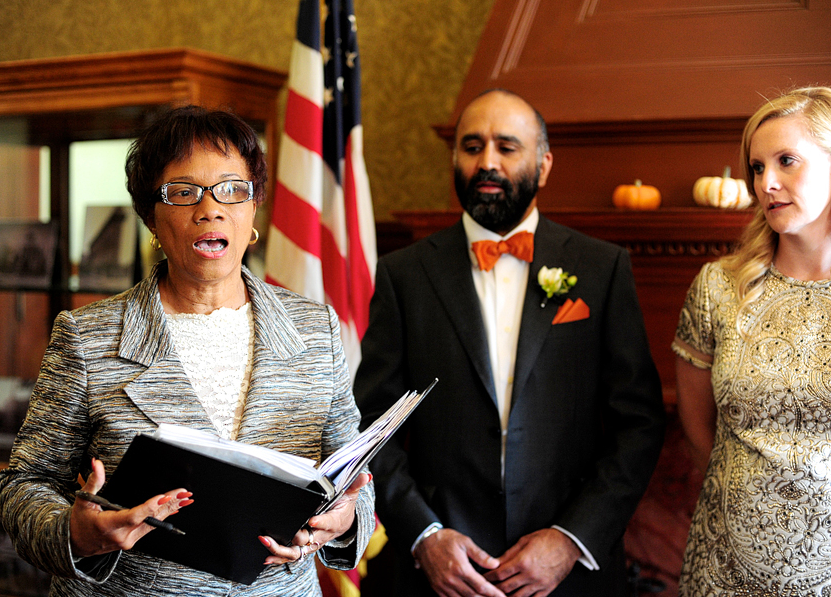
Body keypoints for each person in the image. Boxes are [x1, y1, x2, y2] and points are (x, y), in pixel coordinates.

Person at [0, 105, 374, 597]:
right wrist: (76, 532)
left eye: (232, 189)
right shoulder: (88, 337)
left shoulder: (315, 329)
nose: (210, 208)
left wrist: (342, 520)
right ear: (151, 216)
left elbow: (353, 480)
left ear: (253, 208)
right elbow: (22, 484)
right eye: (183, 192)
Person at [354, 89, 666, 597]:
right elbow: (372, 426)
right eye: (472, 147)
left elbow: (640, 423)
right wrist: (425, 534)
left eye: (507, 146)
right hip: (435, 574)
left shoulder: (601, 269)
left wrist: (571, 539)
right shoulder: (402, 275)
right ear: (455, 159)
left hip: (568, 575)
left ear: (543, 165)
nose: (488, 163)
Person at [673, 86, 831, 595]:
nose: (768, 183)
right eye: (757, 168)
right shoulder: (718, 286)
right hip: (723, 565)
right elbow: (699, 431)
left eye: (787, 161)